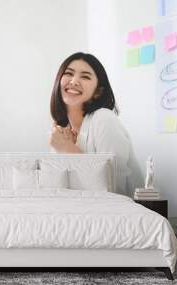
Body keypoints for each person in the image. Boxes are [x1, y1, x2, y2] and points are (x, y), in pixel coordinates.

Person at [49, 52, 142, 196]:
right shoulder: (63, 133)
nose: (74, 81)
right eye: (69, 73)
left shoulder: (103, 119)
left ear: (98, 92)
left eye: (85, 76)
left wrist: (68, 150)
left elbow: (113, 189)